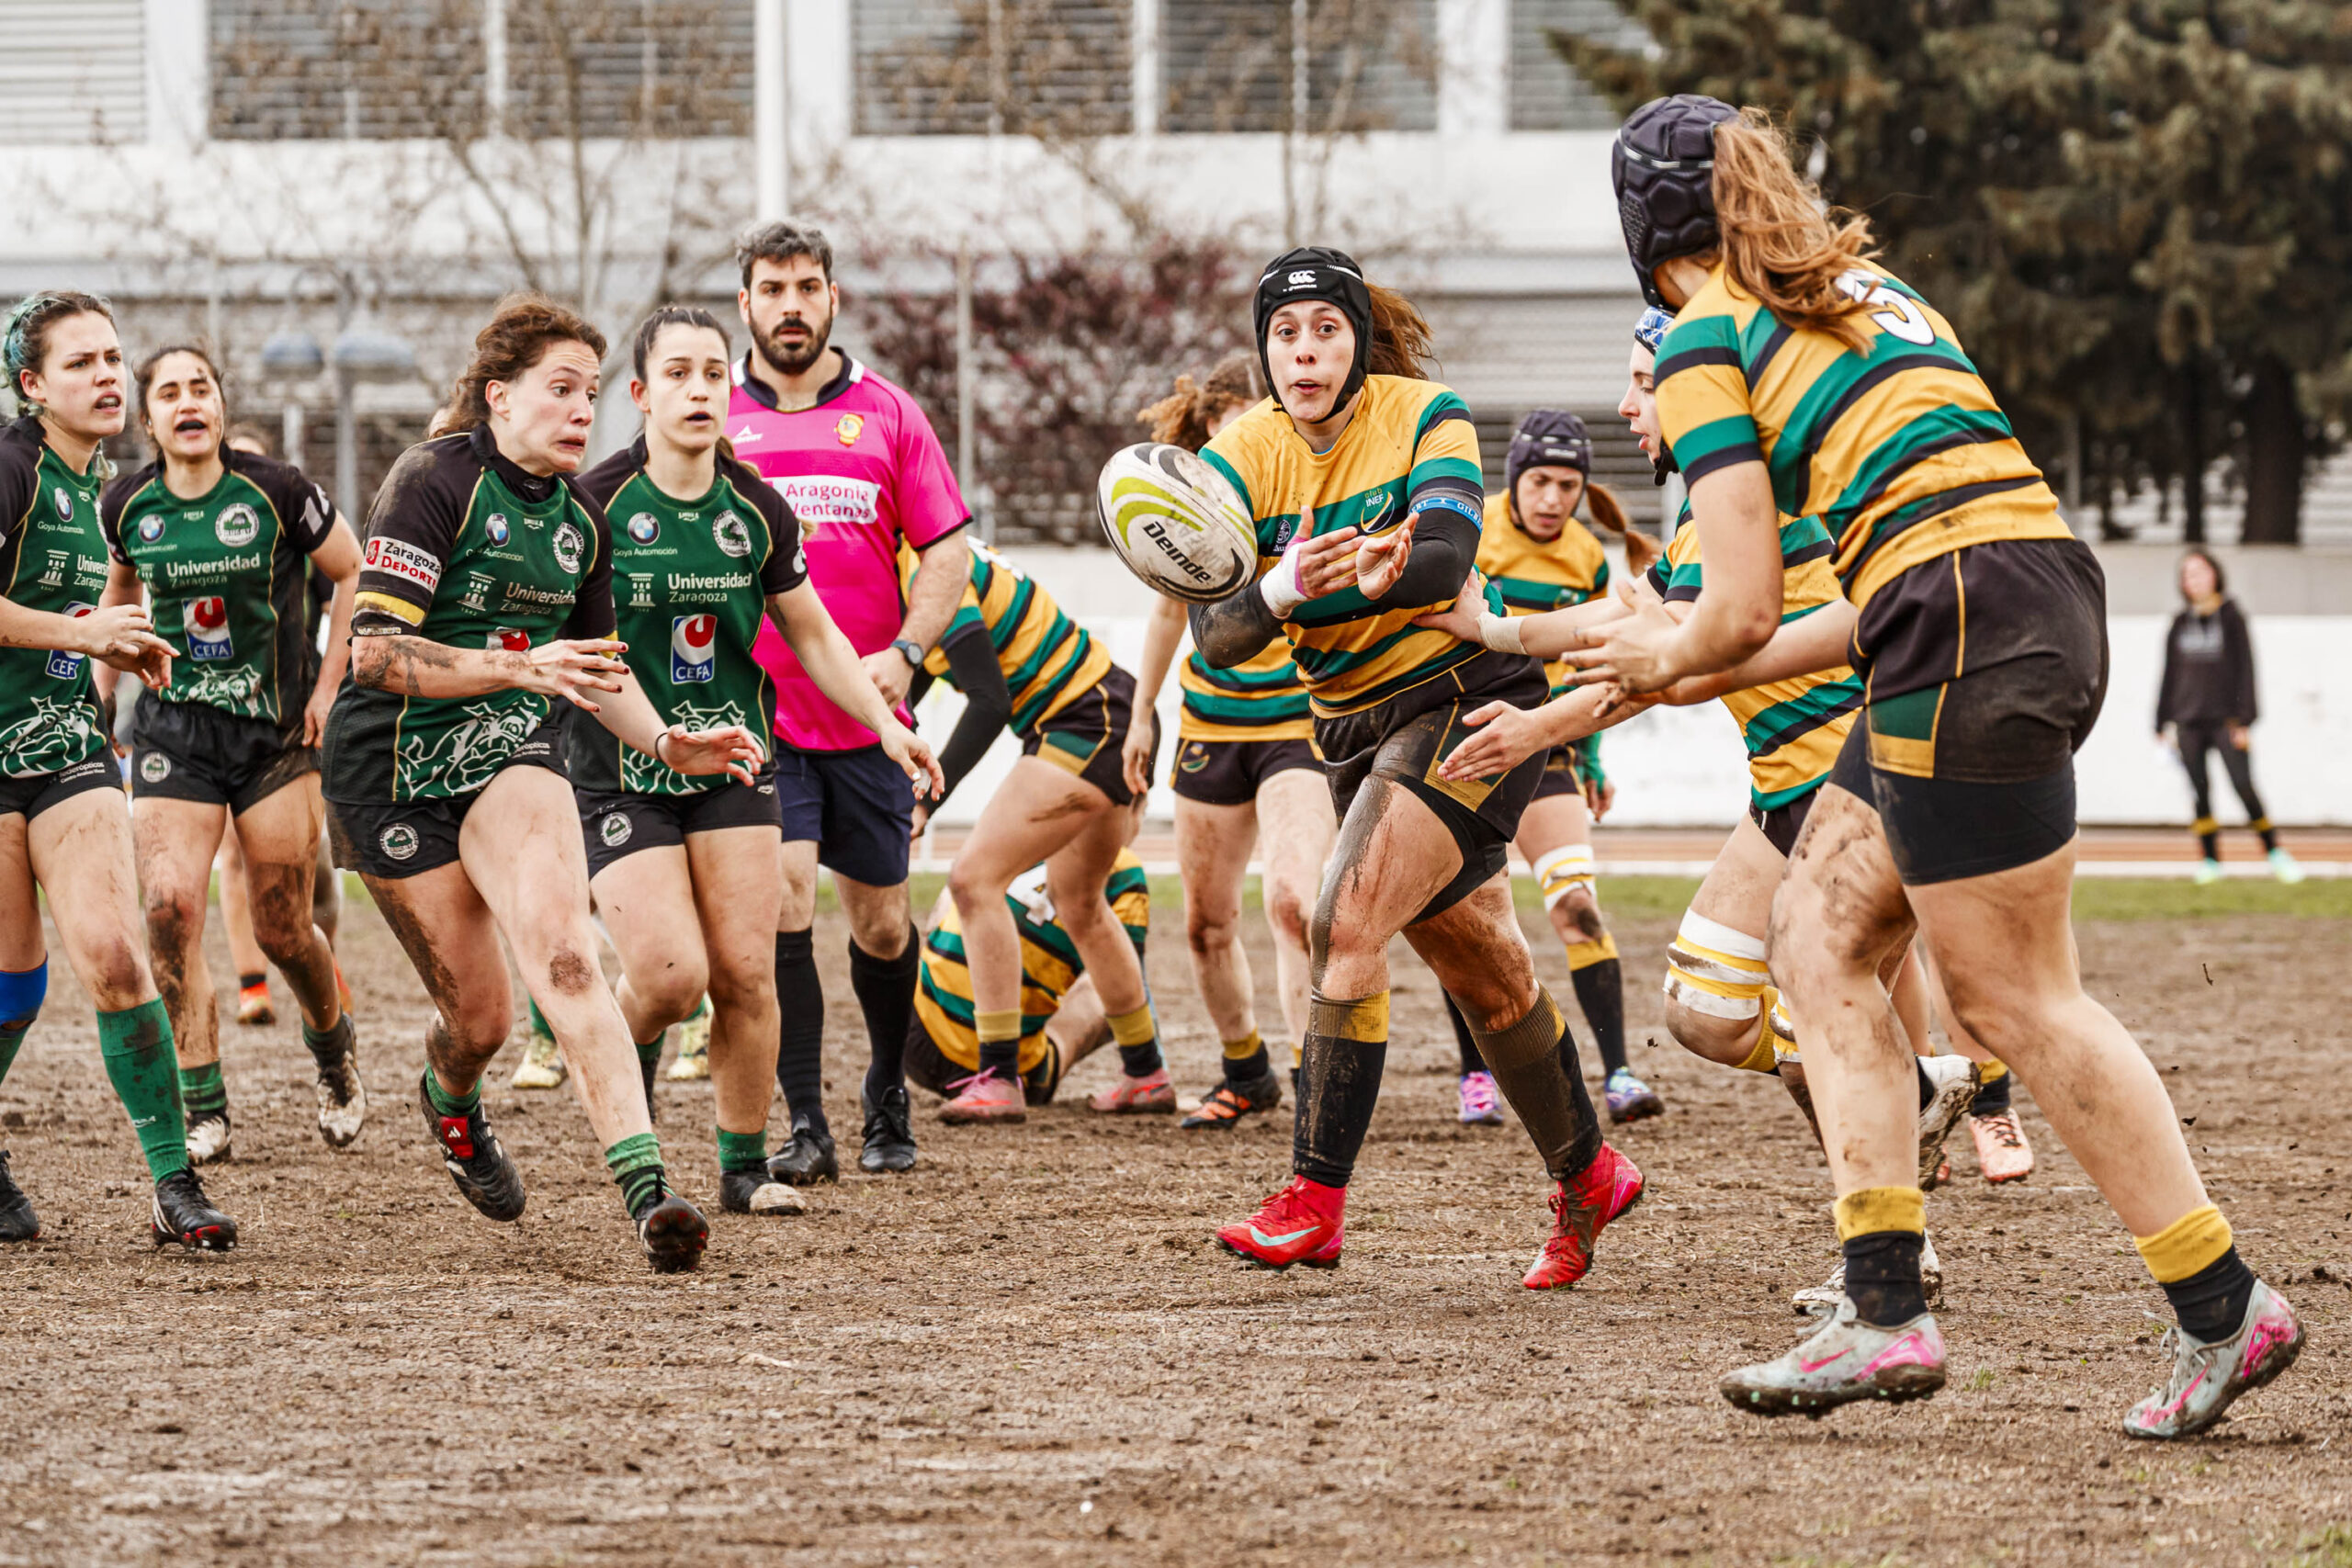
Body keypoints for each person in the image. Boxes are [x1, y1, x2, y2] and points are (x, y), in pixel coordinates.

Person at [1579, 96, 2299, 1431]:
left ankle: (2218, 1302)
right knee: (1822, 928)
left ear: (1642, 223)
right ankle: (1885, 1302)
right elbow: (1867, 589)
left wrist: (1650, 663)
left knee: (2017, 998)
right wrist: (1668, 654)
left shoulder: (1701, 332)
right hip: (2014, 599)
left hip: (1958, 618)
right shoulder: (1869, 290)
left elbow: (1733, 607)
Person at [1419, 306, 1990, 1309]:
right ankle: (1913, 1127)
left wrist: (1533, 727)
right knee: (1716, 1014)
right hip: (1784, 794)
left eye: (1645, 382)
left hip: (1851, 789)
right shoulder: (1707, 512)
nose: (1630, 406)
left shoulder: (1780, 496)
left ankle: (1897, 1245)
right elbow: (1637, 619)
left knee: (1836, 1011)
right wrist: (1501, 634)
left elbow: (1664, 659)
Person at [1187, 246, 1639, 1288]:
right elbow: (1216, 635)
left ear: (1356, 338)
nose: (1304, 352)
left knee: (1338, 921)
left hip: (1464, 701)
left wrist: (1300, 590)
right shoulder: (1239, 456)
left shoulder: (1426, 413)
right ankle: (1590, 1171)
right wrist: (1287, 588)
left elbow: (1438, 560)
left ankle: (1312, 1200)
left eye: (1325, 330)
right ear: (1264, 351)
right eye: (1284, 334)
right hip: (1349, 730)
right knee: (1485, 972)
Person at [322, 294, 766, 1273]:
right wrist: (524, 666)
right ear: (498, 399)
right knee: (481, 1020)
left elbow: (597, 673)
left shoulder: (582, 526)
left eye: (591, 394)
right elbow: (375, 657)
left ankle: (649, 1192)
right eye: (559, 390)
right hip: (386, 773)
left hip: (508, 760)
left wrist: (668, 742)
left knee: (565, 957)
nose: (580, 412)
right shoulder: (433, 479)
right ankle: (450, 1103)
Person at [571, 304, 941, 1215]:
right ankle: (621, 1090)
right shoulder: (595, 508)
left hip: (734, 761)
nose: (699, 390)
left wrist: (889, 725)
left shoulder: (755, 509)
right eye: (677, 375)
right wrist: (655, 735)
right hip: (625, 766)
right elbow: (575, 653)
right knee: (665, 978)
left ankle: (741, 1170)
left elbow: (815, 639)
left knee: (745, 971)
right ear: (640, 393)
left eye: (711, 374)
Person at [729, 220, 973, 1180]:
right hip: (762, 718)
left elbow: (947, 549)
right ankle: (804, 1121)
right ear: (743, 303)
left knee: (879, 921)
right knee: (785, 901)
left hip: (869, 721)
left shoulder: (889, 415)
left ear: (832, 297)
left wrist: (908, 652)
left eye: (807, 286)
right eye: (772, 288)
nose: (791, 305)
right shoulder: (715, 423)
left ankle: (882, 1089)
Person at [0, 290, 238, 1248]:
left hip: (65, 751)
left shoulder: (96, 488)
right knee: (16, 982)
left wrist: (119, 652)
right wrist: (85, 628)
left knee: (112, 952)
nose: (107, 375)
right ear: (31, 385)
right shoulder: (11, 468)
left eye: (112, 358)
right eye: (81, 363)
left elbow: (73, 629)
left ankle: (174, 1184)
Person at [97, 345, 365, 1165]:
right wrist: (103, 694)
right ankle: (204, 1104)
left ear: (219, 404)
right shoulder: (127, 504)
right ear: (149, 419)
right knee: (169, 908)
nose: (188, 402)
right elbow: (121, 596)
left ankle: (334, 1053)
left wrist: (327, 691)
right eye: (169, 392)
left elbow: (353, 573)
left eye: (200, 387)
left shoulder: (280, 489)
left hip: (275, 738)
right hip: (175, 735)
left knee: (285, 927)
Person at [1125, 354, 1330, 1130]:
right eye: (1230, 425)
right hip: (1210, 725)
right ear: (1209, 431)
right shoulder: (1190, 508)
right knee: (1206, 924)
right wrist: (1142, 712)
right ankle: (1247, 1071)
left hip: (1295, 725)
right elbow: (1166, 617)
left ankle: (1317, 1080)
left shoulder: (1304, 487)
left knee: (1292, 902)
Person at [902, 536, 1171, 1122]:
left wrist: (924, 797)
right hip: (1108, 709)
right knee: (1081, 902)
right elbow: (914, 676)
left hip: (1083, 721)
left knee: (974, 881)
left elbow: (988, 700)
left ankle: (998, 1077)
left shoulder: (922, 565)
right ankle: (1146, 1073)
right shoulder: (934, 552)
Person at [1443, 408, 1662, 1127]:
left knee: (1577, 907)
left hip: (1549, 752)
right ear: (1514, 477)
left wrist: (1592, 755)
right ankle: (1477, 1075)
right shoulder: (1474, 535)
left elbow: (1587, 664)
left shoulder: (1585, 557)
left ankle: (1621, 1071)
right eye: (1540, 479)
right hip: (1470, 748)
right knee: (1463, 921)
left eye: (1568, 484)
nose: (1553, 497)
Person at [904, 794, 1154, 1110]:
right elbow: (1126, 980)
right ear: (1133, 808)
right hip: (1021, 1074)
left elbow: (936, 920)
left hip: (913, 1040)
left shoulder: (1014, 834)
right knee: (1114, 982)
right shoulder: (1124, 870)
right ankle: (1145, 1073)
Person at [2157, 549, 2300, 886]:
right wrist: (2160, 722)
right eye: (2188, 574)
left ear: (2215, 575)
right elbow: (2169, 675)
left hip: (2226, 722)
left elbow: (2247, 670)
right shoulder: (2179, 623)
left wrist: (2245, 720)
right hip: (2188, 722)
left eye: (2201, 572)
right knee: (2199, 792)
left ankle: (2275, 853)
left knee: (2243, 786)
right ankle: (2210, 861)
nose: (2195, 579)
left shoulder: (2233, 617)